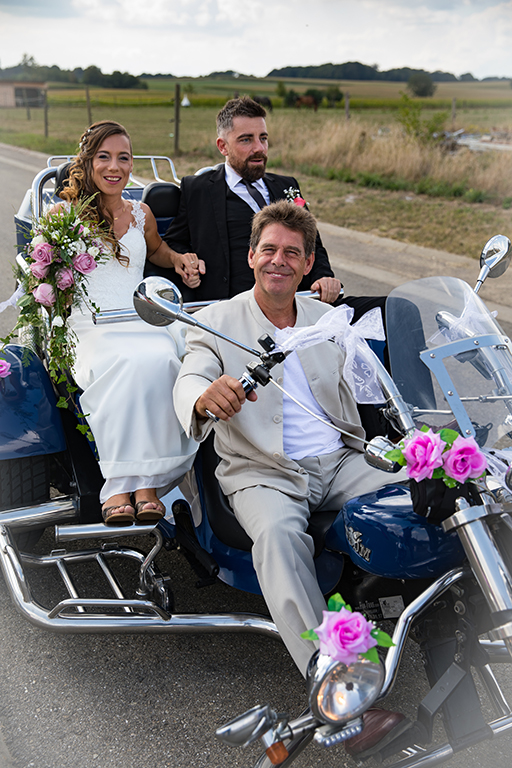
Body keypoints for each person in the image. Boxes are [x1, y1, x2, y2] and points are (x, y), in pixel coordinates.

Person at [174, 200, 406, 755]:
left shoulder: (327, 319)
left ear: (306, 265)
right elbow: (190, 378)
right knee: (278, 538)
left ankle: (452, 612)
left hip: (343, 460)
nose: (278, 260)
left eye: (292, 253)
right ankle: (343, 695)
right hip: (264, 471)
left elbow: (371, 387)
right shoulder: (216, 321)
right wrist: (204, 397)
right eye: (269, 250)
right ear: (252, 256)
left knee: (433, 490)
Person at [52, 120, 198, 525]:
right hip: (90, 323)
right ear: (87, 161)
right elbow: (44, 275)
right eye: (104, 157)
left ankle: (148, 484)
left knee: (164, 359)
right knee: (125, 363)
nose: (114, 167)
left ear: (132, 164)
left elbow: (157, 250)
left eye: (124, 158)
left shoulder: (141, 213)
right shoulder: (63, 215)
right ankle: (119, 485)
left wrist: (178, 260)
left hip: (139, 316)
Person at [163, 96, 342, 305]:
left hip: (291, 303)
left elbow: (312, 244)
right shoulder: (198, 189)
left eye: (263, 138)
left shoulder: (286, 185)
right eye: (246, 140)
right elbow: (175, 242)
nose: (259, 148)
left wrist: (323, 276)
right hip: (229, 306)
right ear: (223, 146)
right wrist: (186, 262)